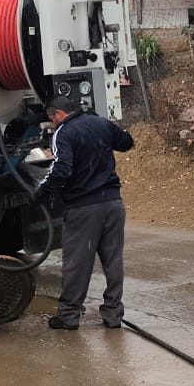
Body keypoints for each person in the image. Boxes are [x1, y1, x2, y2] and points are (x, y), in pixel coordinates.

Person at [36, 98, 134, 330]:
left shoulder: (63, 132)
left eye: (52, 118)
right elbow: (126, 142)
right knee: (113, 262)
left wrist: (40, 193)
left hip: (83, 208)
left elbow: (61, 169)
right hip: (112, 204)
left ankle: (69, 316)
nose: (52, 123)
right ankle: (113, 316)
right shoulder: (100, 123)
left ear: (59, 113)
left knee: (77, 263)